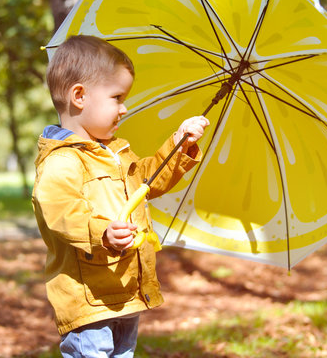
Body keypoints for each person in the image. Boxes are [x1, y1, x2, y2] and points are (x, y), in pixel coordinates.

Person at [32, 35, 209, 358]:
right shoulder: (63, 161)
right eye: (117, 97)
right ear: (80, 96)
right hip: (91, 298)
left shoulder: (116, 152)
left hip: (126, 289)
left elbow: (149, 179)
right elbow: (59, 212)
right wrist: (103, 233)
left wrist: (180, 145)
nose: (125, 108)